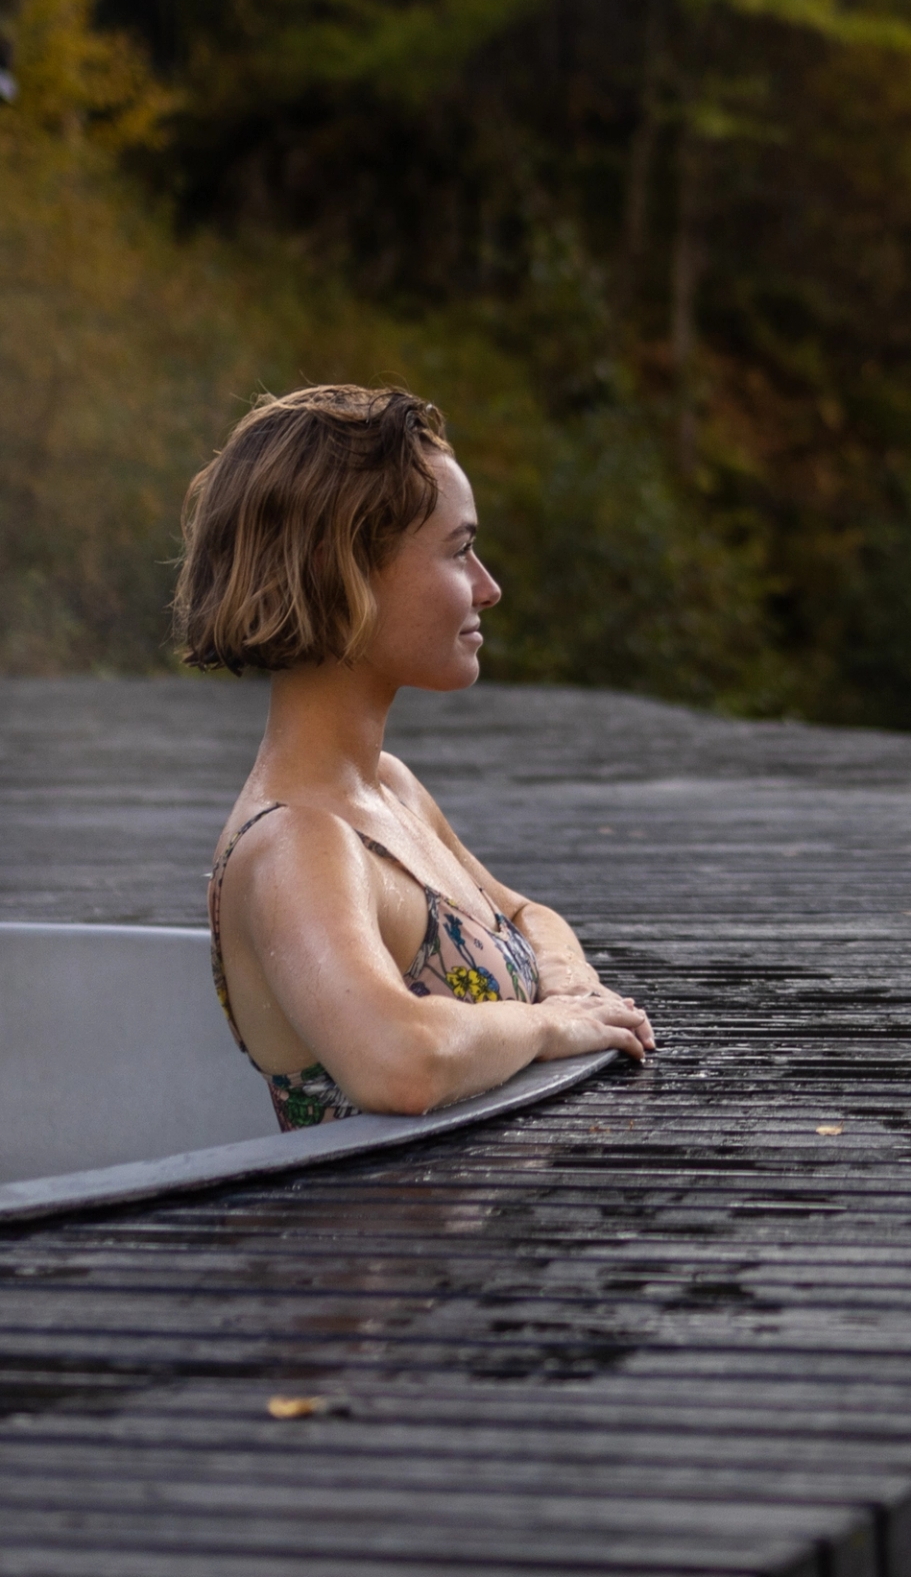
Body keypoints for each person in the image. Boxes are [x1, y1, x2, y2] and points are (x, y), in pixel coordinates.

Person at [183, 385, 653, 1128]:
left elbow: (529, 915)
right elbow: (397, 1063)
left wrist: (568, 987)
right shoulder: (295, 845)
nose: (489, 588)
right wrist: (547, 1027)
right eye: (460, 550)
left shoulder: (389, 790)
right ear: (343, 572)